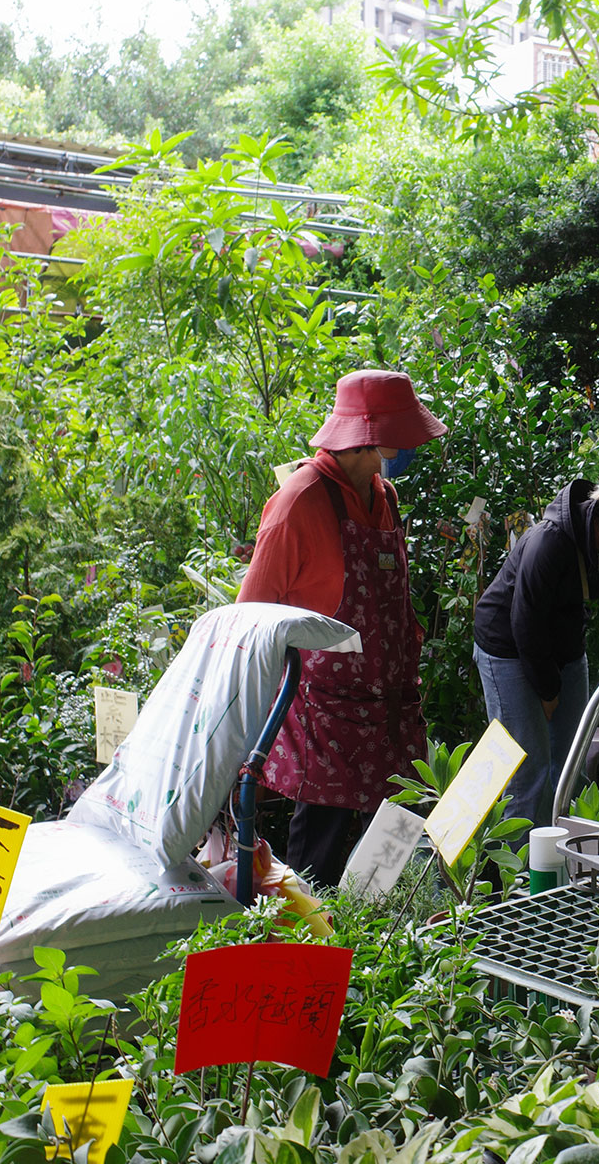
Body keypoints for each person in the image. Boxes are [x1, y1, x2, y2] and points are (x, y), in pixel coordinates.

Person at [237, 369, 447, 888]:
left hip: (392, 713)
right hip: (327, 717)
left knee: (392, 852)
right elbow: (249, 620)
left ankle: (376, 956)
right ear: (369, 441)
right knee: (319, 861)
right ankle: (308, 956)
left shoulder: (384, 496)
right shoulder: (298, 503)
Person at [473, 479, 599, 829]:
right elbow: (526, 622)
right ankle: (522, 876)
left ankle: (566, 866)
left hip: (563, 646)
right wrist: (548, 691)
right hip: (507, 646)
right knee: (528, 770)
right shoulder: (549, 542)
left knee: (570, 764)